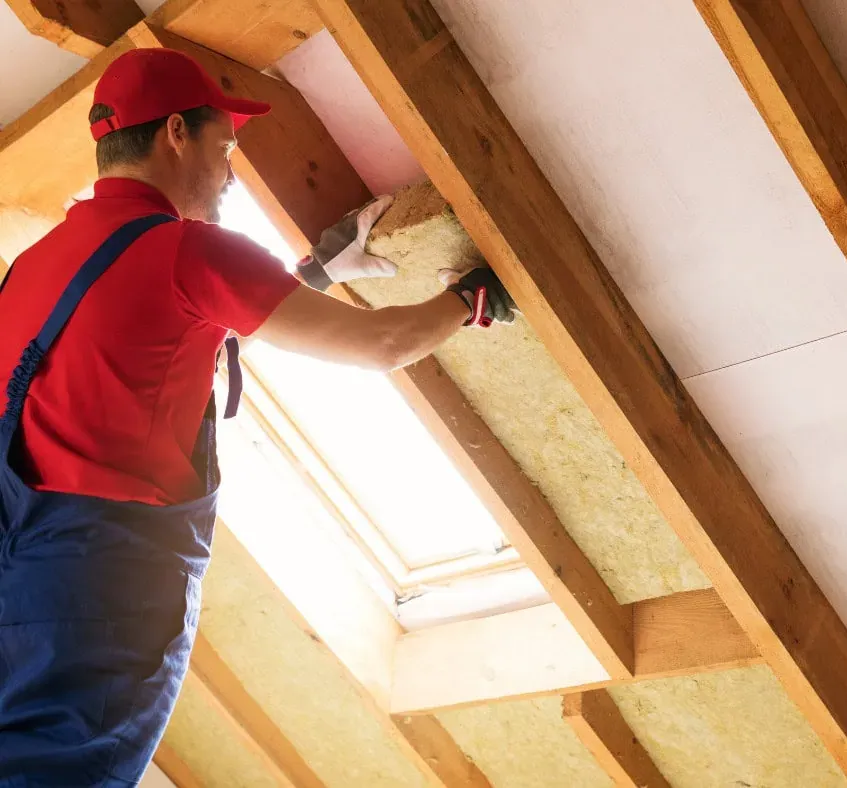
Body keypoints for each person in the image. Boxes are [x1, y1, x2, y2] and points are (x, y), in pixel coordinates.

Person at [0, 48, 514, 786]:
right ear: (177, 132)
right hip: (99, 592)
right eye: (225, 146)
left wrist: (314, 275)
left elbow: (152, 343)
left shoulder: (34, 262)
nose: (230, 173)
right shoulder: (192, 250)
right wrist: (472, 297)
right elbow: (384, 344)